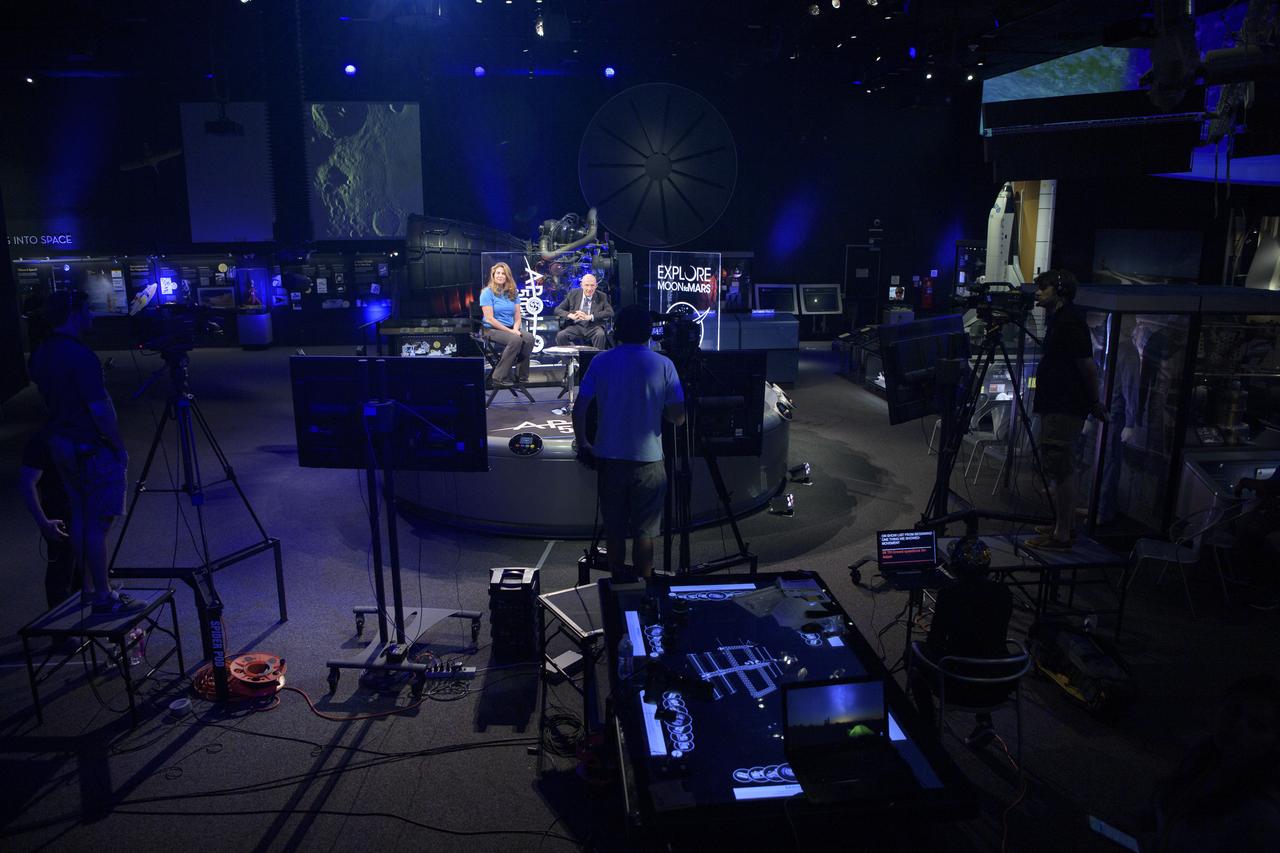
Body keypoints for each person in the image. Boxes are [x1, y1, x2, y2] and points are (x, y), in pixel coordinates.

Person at [27, 290, 140, 615]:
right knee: (98, 524)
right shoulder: (80, 356)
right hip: (90, 447)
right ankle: (103, 595)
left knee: (80, 516)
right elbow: (99, 409)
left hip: (61, 444)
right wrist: (118, 446)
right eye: (87, 310)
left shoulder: (42, 353)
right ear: (75, 313)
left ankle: (90, 588)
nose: (91, 317)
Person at [573, 304, 685, 579]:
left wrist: (584, 444)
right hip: (649, 460)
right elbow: (678, 417)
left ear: (617, 331)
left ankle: (618, 587)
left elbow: (579, 408)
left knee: (614, 530)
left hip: (609, 459)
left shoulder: (601, 361)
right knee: (645, 532)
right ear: (648, 332)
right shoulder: (664, 364)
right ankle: (644, 587)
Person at [1024, 269, 1106, 550]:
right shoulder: (1061, 319)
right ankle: (1062, 525)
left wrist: (1094, 403)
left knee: (1062, 468)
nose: (1037, 292)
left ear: (1059, 290)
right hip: (1057, 403)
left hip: (1064, 404)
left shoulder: (1070, 322)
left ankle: (1061, 534)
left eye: (1043, 288)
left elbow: (1087, 365)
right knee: (1060, 467)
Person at [1152, 674, 1280, 852]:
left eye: (1257, 725)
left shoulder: (1261, 817)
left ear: (1274, 743)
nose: (1238, 726)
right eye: (1233, 711)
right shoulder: (1201, 761)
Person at [909, 536, 1014, 746]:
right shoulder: (1004, 593)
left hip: (956, 682)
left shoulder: (950, 594)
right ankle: (984, 721)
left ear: (955, 566)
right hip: (998, 683)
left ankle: (928, 725)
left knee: (913, 653)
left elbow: (935, 643)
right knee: (985, 652)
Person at [18, 428, 80, 609]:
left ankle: (81, 620)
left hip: (81, 510)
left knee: (83, 569)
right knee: (62, 572)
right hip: (60, 513)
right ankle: (61, 633)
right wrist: (43, 522)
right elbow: (27, 482)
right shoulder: (43, 439)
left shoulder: (78, 431)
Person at [479, 261, 534, 387]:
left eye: (503, 273)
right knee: (515, 340)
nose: (500, 275)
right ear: (493, 275)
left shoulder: (513, 293)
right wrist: (511, 332)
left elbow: (518, 316)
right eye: (497, 273)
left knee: (529, 338)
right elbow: (490, 318)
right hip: (490, 329)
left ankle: (521, 375)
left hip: (510, 328)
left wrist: (515, 328)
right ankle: (498, 376)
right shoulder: (486, 292)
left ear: (507, 276)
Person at [553, 273, 612, 350]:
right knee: (561, 336)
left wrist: (590, 317)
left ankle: (596, 359)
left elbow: (610, 312)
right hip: (576, 326)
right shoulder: (573, 294)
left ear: (596, 286)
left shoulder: (602, 296)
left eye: (592, 285)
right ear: (581, 285)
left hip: (593, 326)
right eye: (587, 285)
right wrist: (571, 315)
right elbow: (557, 310)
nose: (589, 289)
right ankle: (571, 360)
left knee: (600, 334)